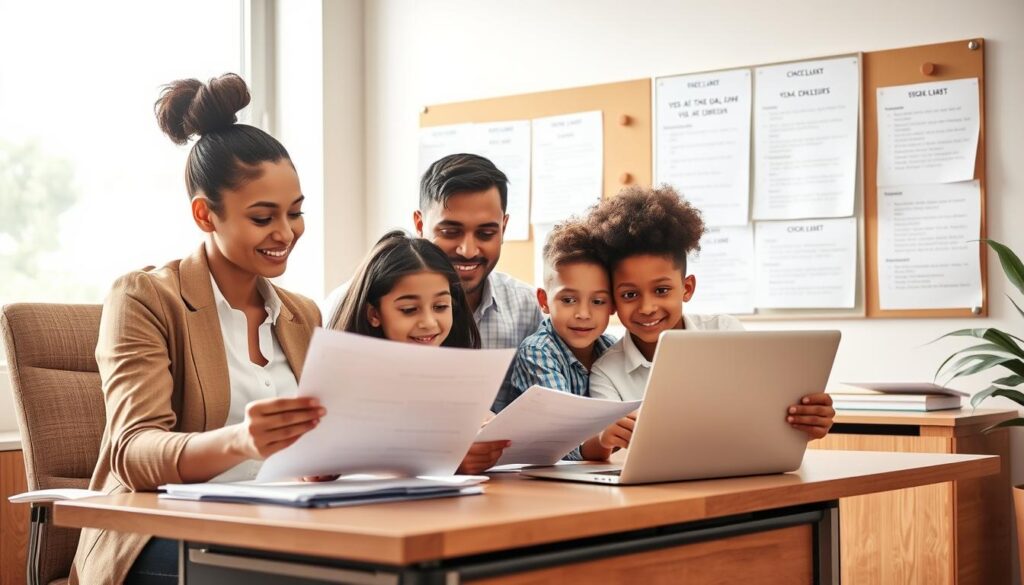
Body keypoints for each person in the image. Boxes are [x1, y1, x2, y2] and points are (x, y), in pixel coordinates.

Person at [70, 74, 322, 585]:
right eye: (262, 217)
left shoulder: (303, 316)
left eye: (295, 213)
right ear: (206, 214)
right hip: (158, 535)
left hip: (282, 522)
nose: (285, 233)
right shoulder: (145, 298)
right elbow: (133, 451)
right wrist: (242, 442)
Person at [587, 185, 836, 452]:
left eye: (661, 290)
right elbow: (601, 447)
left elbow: (764, 414)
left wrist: (805, 422)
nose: (647, 307)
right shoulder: (606, 372)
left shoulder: (725, 332)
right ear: (613, 300)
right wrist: (605, 439)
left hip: (740, 474)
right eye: (630, 294)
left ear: (687, 288)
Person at [328, 230, 509, 472]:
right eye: (410, 309)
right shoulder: (349, 380)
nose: (429, 323)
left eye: (441, 306)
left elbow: (482, 420)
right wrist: (446, 458)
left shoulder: (453, 375)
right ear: (374, 314)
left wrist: (489, 432)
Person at [324, 154, 541, 350]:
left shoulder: (527, 307)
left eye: (485, 233)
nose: (468, 250)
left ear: (504, 227)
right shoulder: (348, 304)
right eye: (450, 231)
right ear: (419, 224)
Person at [494, 218, 617, 461]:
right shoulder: (537, 352)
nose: (583, 313)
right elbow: (562, 441)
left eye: (598, 301)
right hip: (534, 474)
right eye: (568, 300)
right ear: (543, 301)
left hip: (592, 473)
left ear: (612, 305)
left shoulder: (612, 348)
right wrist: (604, 442)